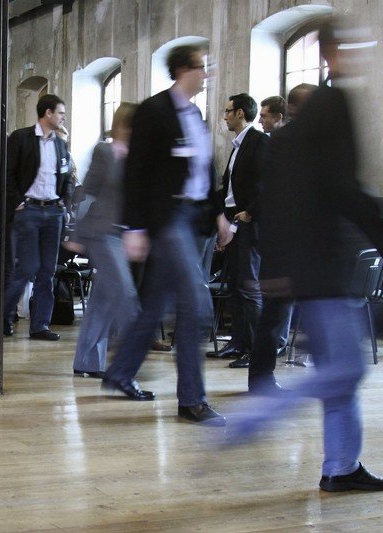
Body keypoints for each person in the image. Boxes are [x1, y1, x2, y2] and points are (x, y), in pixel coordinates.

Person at [225, 19, 383, 492]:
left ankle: (341, 466)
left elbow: (280, 202)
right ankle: (255, 416)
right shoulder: (335, 106)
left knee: (340, 374)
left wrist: (277, 268)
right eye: (357, 45)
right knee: (345, 370)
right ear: (337, 52)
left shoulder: (287, 136)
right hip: (323, 270)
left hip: (304, 268)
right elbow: (343, 187)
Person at [102, 44, 232, 425]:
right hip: (167, 218)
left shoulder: (195, 115)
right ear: (182, 70)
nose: (206, 74)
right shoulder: (154, 111)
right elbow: (136, 173)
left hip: (194, 219)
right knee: (196, 303)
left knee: (155, 303)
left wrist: (219, 214)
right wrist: (135, 227)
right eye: (201, 68)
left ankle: (120, 371)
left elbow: (204, 171)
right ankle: (191, 400)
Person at [230, 87, 317, 377]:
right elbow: (268, 189)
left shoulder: (305, 141)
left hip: (297, 236)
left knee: (281, 306)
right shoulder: (279, 142)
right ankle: (262, 371)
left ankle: (267, 368)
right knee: (274, 306)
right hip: (282, 237)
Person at [72, 103, 141, 378]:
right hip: (101, 232)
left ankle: (87, 362)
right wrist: (76, 234)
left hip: (124, 235)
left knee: (102, 301)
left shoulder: (137, 158)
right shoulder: (105, 151)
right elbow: (88, 193)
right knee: (125, 293)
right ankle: (133, 355)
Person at [3, 94, 74, 340]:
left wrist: (64, 203)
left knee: (47, 271)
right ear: (48, 113)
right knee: (27, 267)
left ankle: (40, 326)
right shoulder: (21, 138)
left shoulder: (60, 144)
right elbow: (8, 173)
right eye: (61, 113)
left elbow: (67, 177)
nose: (64, 117)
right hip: (29, 211)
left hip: (53, 212)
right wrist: (18, 202)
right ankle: (2, 315)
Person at [206, 93, 266, 362]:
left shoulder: (258, 141)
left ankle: (256, 350)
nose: (225, 116)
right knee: (233, 285)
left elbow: (268, 183)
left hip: (248, 223)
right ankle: (238, 342)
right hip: (233, 221)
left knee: (248, 287)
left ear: (241, 113)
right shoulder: (237, 145)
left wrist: (251, 211)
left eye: (228, 111)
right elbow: (230, 188)